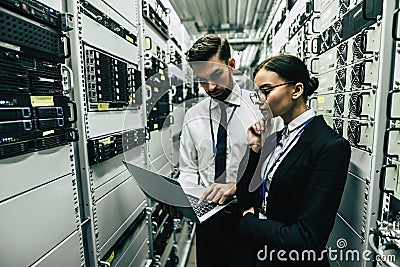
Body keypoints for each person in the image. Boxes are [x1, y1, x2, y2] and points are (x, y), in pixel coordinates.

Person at [236, 54, 351, 266]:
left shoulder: (330, 147)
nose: (260, 100)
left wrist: (250, 223)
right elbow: (245, 196)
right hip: (262, 255)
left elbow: (308, 238)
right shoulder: (273, 140)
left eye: (266, 91)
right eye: (257, 93)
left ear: (297, 90)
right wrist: (254, 151)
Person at [178, 35, 280, 267]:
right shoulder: (193, 115)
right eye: (202, 80)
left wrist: (239, 187)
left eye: (216, 76)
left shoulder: (261, 109)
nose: (211, 87)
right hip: (207, 222)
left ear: (231, 65)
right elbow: (188, 169)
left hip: (249, 217)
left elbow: (277, 166)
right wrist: (182, 199)